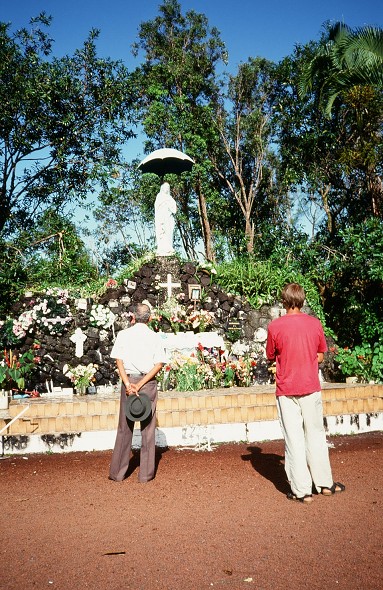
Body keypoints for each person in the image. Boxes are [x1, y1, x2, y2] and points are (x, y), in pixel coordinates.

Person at [266, 283, 345, 504]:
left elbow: (271, 355)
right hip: (310, 386)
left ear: (284, 301)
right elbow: (321, 356)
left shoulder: (275, 326)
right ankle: (325, 484)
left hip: (286, 388)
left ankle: (302, 490)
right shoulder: (315, 324)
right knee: (316, 435)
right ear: (302, 300)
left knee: (294, 439)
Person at [109, 303, 167, 483]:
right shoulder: (155, 337)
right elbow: (159, 364)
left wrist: (128, 384)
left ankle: (118, 473)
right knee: (148, 429)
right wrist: (141, 384)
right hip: (147, 383)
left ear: (133, 317)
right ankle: (145, 475)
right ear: (149, 318)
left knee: (124, 428)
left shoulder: (124, 335)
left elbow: (119, 360)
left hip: (128, 383)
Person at [155, 182, 177, 256]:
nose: (166, 189)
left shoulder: (170, 199)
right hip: (161, 218)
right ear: (162, 188)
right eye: (165, 187)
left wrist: (168, 204)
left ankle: (169, 248)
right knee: (161, 233)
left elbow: (174, 210)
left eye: (168, 187)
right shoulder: (159, 196)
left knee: (168, 233)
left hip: (168, 218)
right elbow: (156, 208)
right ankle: (161, 249)